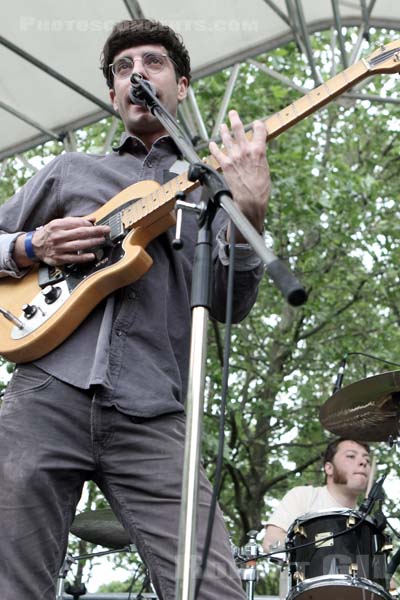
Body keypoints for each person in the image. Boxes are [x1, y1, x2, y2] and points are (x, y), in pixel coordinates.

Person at [0, 18, 270, 600]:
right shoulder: (69, 170)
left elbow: (232, 303)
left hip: (155, 406)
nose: (136, 75)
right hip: (44, 391)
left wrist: (249, 215)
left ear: (183, 86)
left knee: (214, 587)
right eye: (123, 69)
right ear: (112, 95)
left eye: (151, 63)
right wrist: (29, 245)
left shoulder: (209, 187)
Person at [263, 438, 371, 552]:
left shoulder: (366, 523)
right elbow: (271, 541)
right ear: (329, 468)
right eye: (351, 456)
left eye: (367, 460)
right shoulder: (303, 496)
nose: (363, 462)